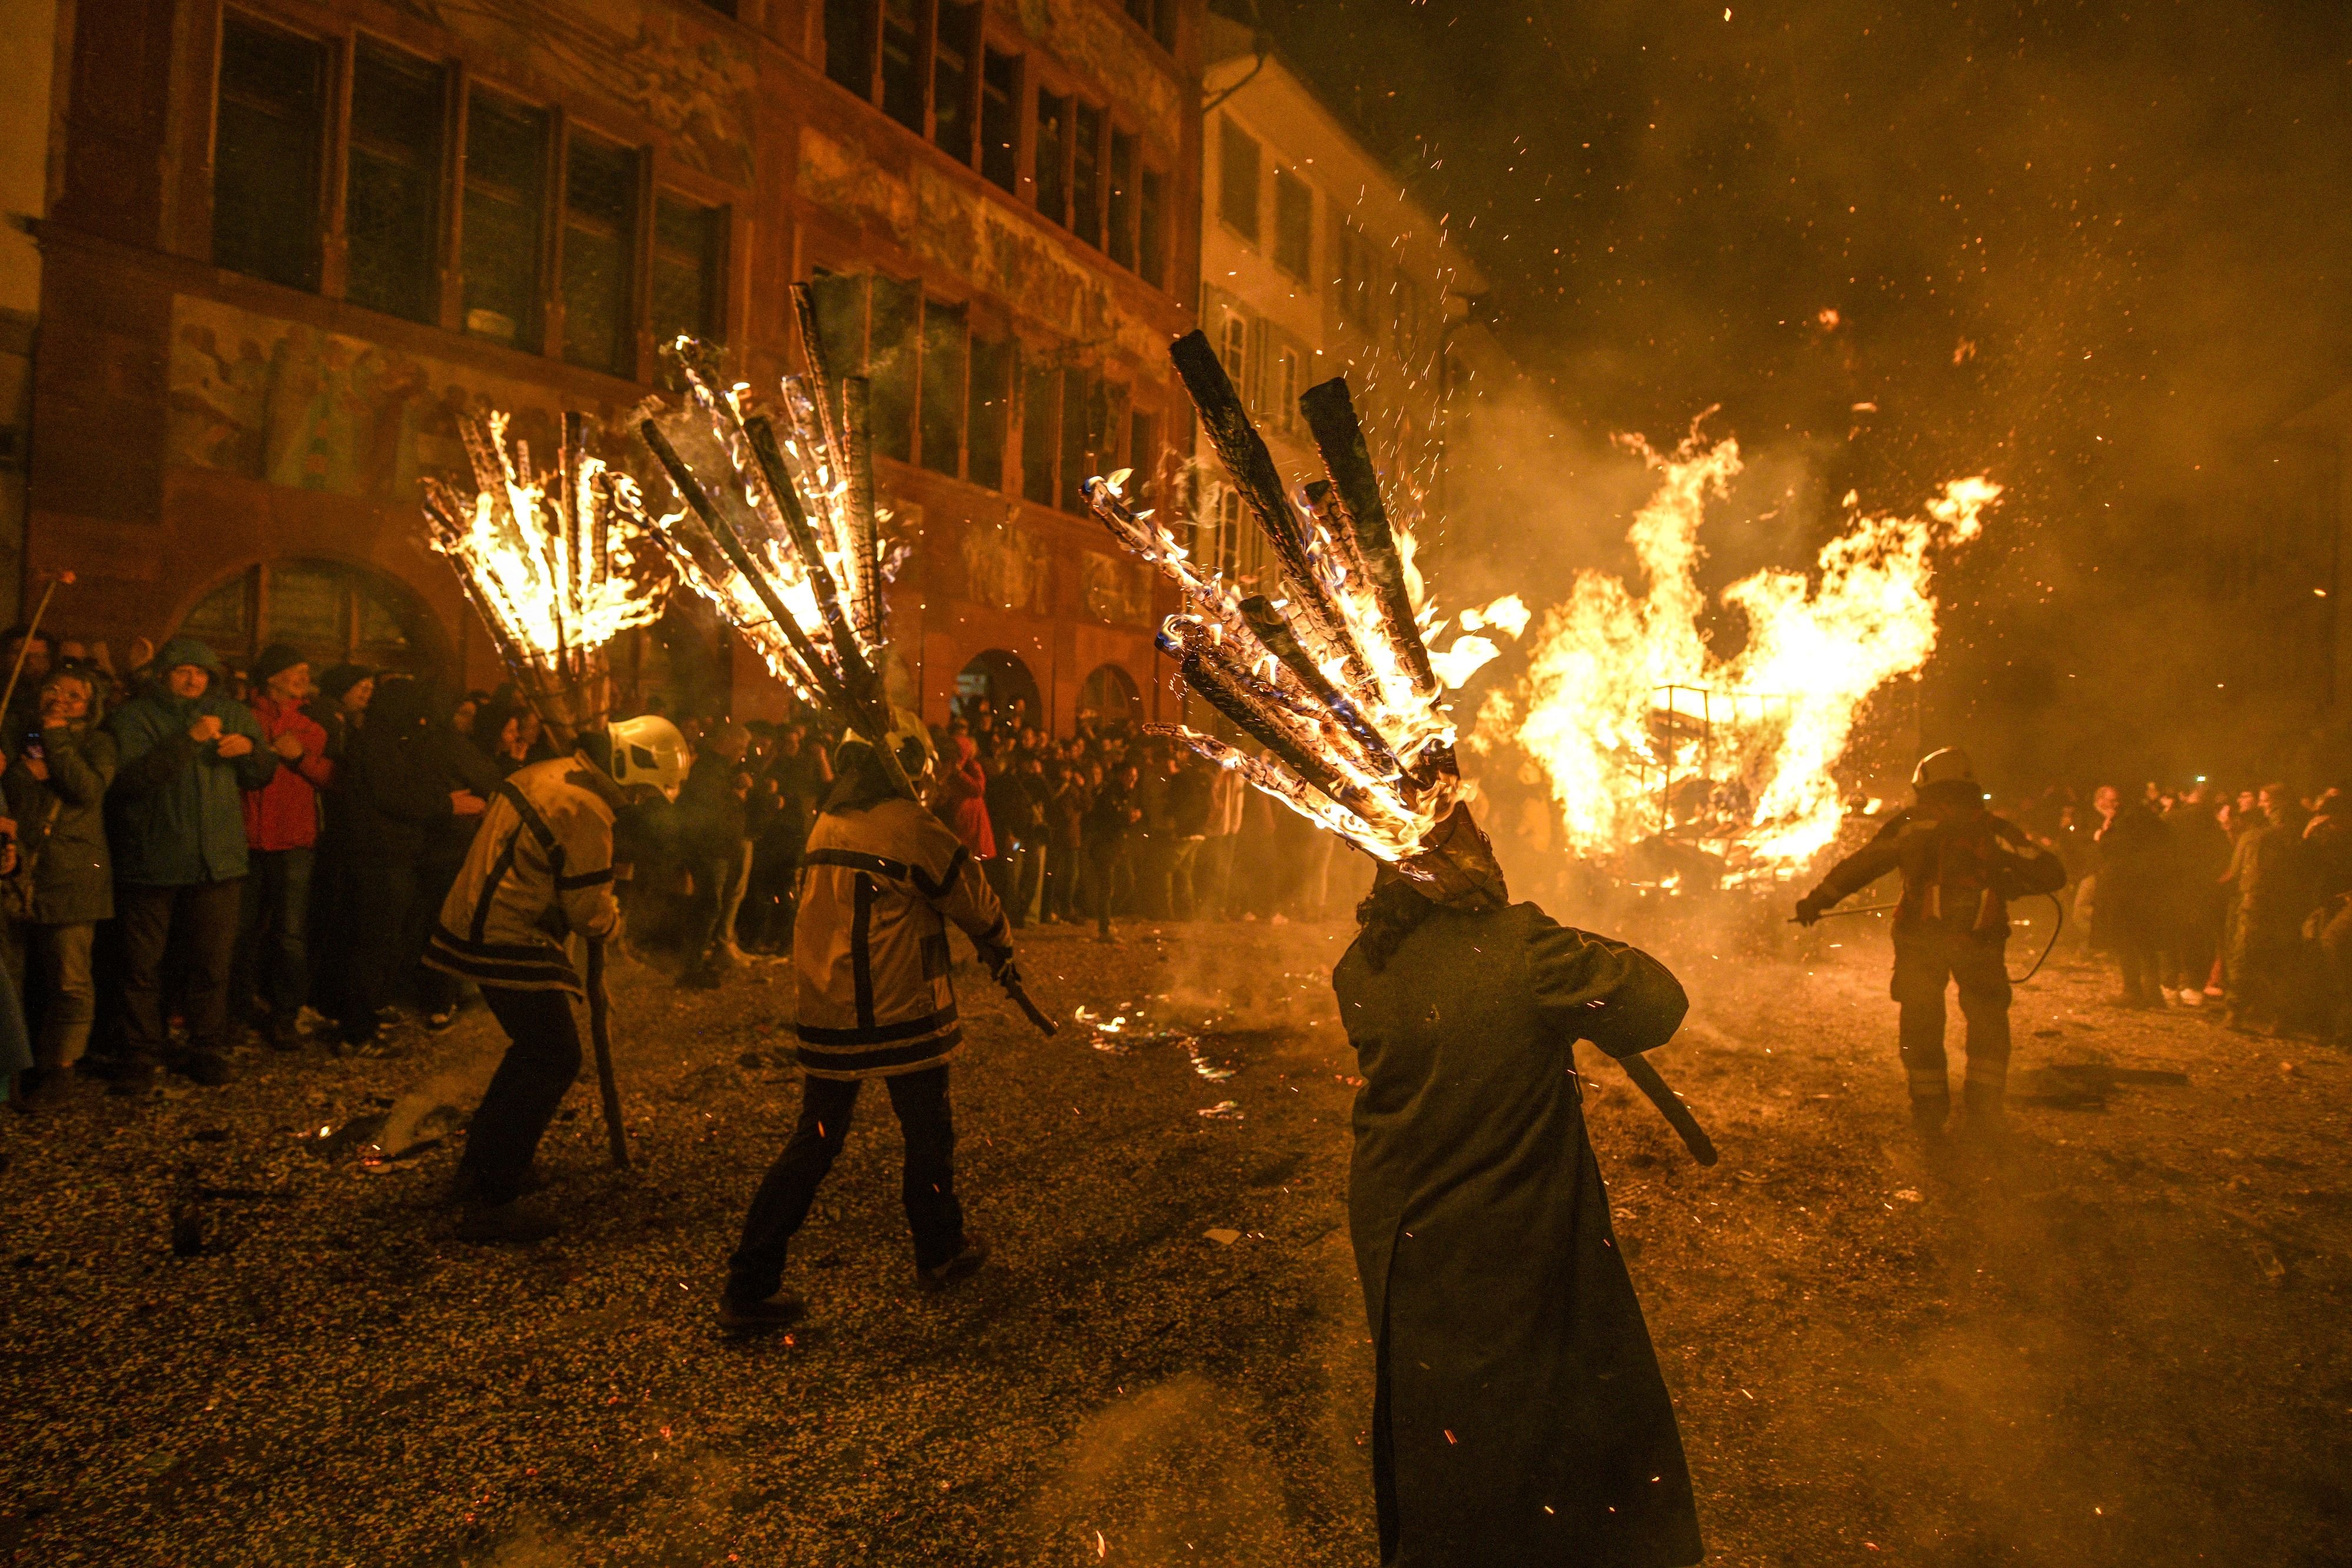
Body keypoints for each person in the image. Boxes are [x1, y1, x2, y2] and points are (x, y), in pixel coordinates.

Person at [1334, 805, 1703, 1568]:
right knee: (1543, 1417)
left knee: (1444, 1422)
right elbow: (1659, 1001)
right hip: (1510, 1234)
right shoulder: (1529, 950)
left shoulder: (1361, 965)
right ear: (1467, 869)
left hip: (1404, 1234)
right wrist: (1552, 937)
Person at [719, 716, 1010, 1328]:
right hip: (899, 1006)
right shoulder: (909, 825)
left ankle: (750, 1281)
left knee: (815, 1143)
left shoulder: (828, 821)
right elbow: (971, 896)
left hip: (829, 1006)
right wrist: (999, 945)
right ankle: (940, 1250)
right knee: (928, 1137)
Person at [424, 714, 691, 1242]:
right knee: (554, 1055)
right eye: (642, 788)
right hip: (504, 930)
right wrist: (612, 917)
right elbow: (586, 910)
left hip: (476, 914)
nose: (640, 800)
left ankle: (483, 1166)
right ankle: (493, 1197)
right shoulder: (585, 807)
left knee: (534, 1049)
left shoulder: (547, 770)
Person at [1795, 747, 2067, 1139]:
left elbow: (1864, 865)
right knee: (1988, 1020)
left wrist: (1817, 901)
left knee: (1922, 1021)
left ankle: (1929, 1111)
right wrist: (2010, 885)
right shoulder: (1994, 827)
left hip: (1920, 940)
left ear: (1924, 782)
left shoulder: (1911, 824)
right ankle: (1985, 1111)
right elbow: (2052, 872)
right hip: (1981, 939)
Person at [104, 638, 277, 1089]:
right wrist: (190, 740)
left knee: (211, 963)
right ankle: (140, 1054)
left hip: (217, 863)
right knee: (141, 965)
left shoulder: (234, 715)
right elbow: (130, 781)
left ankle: (206, 1047)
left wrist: (253, 753)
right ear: (163, 674)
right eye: (183, 670)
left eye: (201, 672)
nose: (193, 679)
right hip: (152, 860)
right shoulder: (134, 718)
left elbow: (262, 774)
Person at [340, 677, 485, 1045]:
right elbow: (394, 794)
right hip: (380, 856)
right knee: (373, 941)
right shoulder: (377, 744)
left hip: (393, 854)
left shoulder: (387, 740)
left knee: (385, 938)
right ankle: (357, 1032)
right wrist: (448, 804)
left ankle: (369, 1013)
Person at [1, 666, 116, 1102]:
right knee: (13, 979)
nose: (60, 699)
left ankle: (60, 1069)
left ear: (90, 705)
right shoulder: (20, 736)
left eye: (74, 695)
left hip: (72, 874)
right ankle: (13, 1069)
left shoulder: (99, 743)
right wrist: (22, 768)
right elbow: (14, 786)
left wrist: (56, 737)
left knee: (69, 980)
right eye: (53, 689)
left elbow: (86, 789)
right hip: (21, 871)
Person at [235, 644, 333, 1048]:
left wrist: (300, 758)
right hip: (245, 840)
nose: (303, 676)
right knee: (239, 932)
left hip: (292, 841)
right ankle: (236, 1010)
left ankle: (285, 1014)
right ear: (273, 676)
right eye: (297, 668)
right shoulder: (243, 719)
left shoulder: (313, 727)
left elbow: (331, 777)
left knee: (289, 933)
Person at [676, 720, 751, 988]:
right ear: (727, 743)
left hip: (718, 849)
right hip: (709, 850)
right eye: (740, 747)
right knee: (707, 906)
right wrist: (737, 796)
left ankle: (698, 961)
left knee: (711, 905)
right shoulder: (708, 771)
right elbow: (709, 810)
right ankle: (692, 969)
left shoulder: (721, 770)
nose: (742, 753)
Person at [2089, 783, 2172, 1008]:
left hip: (2125, 890)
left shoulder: (2125, 821)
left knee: (2125, 939)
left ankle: (2133, 992)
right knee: (2145, 940)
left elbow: (2117, 851)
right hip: (2148, 887)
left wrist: (2102, 836)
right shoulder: (2144, 817)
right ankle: (2153, 993)